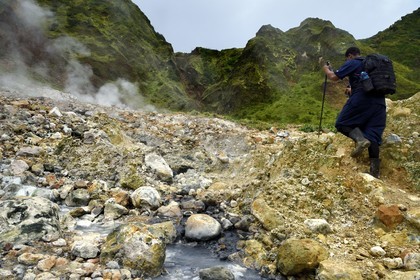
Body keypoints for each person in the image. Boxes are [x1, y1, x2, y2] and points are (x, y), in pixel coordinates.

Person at [322, 47, 386, 178]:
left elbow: (333, 77)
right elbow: (367, 84)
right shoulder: (372, 65)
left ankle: (360, 140)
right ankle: (375, 173)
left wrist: (325, 68)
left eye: (347, 58)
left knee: (341, 123)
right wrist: (352, 89)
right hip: (380, 102)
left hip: (362, 100)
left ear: (350, 56)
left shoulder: (353, 62)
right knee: (373, 135)